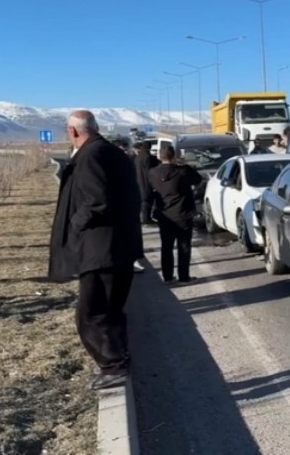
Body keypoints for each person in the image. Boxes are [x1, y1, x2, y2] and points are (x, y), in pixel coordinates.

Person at [48, 110, 143, 390]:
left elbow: (96, 200)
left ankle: (113, 367)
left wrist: (75, 224)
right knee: (110, 309)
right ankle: (119, 359)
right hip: (118, 247)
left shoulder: (90, 155)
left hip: (102, 249)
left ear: (73, 132)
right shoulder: (112, 152)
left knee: (92, 313)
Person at [149, 146, 203, 284]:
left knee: (166, 246)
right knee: (184, 246)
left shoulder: (153, 173)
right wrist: (184, 164)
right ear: (173, 156)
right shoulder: (182, 171)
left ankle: (167, 276)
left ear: (159, 157)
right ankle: (183, 277)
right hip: (183, 214)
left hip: (164, 214)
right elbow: (198, 179)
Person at [134, 141, 160, 226]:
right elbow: (150, 171)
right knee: (147, 201)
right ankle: (146, 219)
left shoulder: (137, 157)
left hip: (139, 181)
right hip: (146, 182)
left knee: (144, 200)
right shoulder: (148, 157)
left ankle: (145, 218)